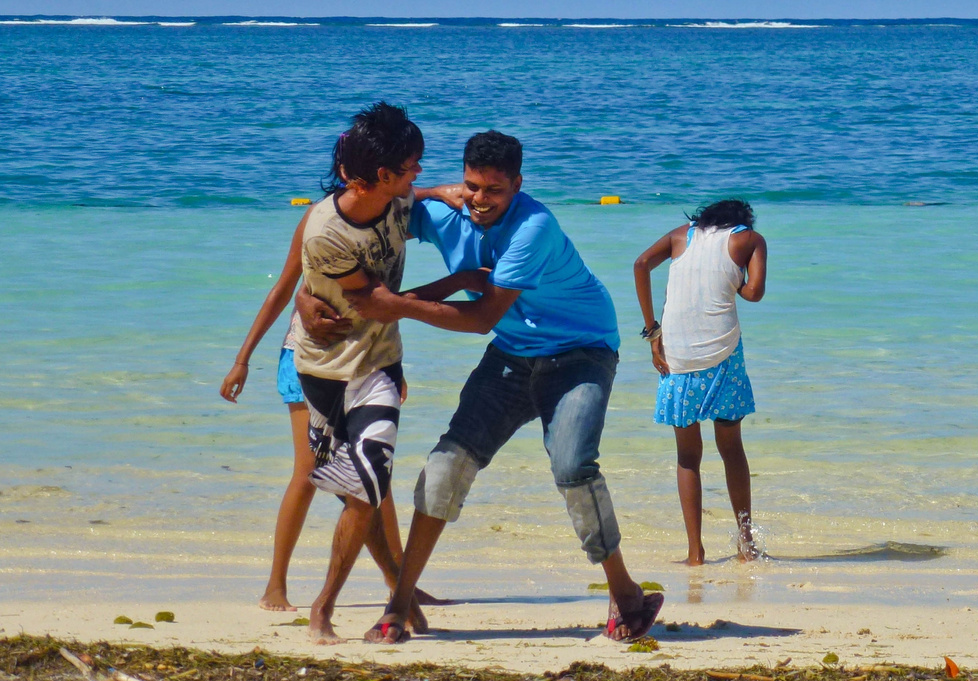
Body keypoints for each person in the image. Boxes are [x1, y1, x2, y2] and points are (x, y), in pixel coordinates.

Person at [297, 130, 663, 644]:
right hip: (512, 357)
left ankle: (626, 593)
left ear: (517, 184)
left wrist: (395, 304)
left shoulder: (533, 227)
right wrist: (303, 295)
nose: (481, 200)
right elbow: (360, 216)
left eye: (495, 190)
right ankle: (398, 606)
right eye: (472, 186)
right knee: (445, 467)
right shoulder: (450, 211)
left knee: (572, 465)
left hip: (581, 352)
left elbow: (482, 316)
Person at [286, 101, 479, 643]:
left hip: (378, 365)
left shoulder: (392, 197)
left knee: (368, 482)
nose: (417, 171)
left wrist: (443, 191)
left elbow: (417, 198)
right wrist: (464, 280)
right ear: (376, 177)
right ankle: (394, 592)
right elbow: (379, 303)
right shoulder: (327, 232)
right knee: (361, 491)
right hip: (325, 369)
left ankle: (329, 605)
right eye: (410, 165)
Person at [219, 212, 437, 614]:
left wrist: (392, 368)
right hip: (308, 361)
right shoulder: (321, 223)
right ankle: (275, 585)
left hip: (365, 361)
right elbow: (286, 289)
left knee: (375, 475)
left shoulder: (388, 212)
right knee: (307, 471)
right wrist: (242, 359)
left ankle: (399, 583)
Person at [633, 199, 767, 566]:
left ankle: (695, 553)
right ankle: (746, 545)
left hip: (676, 355)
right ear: (741, 222)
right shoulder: (749, 239)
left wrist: (652, 331)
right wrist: (735, 281)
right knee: (732, 449)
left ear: (703, 220)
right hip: (721, 353)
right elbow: (755, 293)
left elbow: (641, 264)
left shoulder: (681, 235)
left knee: (688, 457)